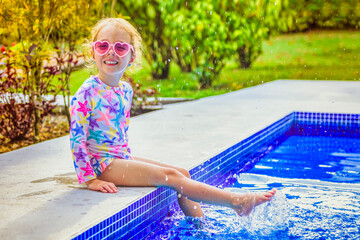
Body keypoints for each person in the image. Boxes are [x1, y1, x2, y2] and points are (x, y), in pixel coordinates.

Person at [70, 18, 276, 218]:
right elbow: (76, 139)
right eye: (103, 46)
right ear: (93, 52)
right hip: (101, 164)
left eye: (120, 47)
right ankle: (236, 202)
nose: (111, 52)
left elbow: (118, 134)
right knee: (169, 177)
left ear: (132, 56)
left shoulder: (125, 90)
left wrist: (127, 160)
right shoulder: (87, 92)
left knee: (182, 173)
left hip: (119, 158)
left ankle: (200, 226)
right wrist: (90, 179)